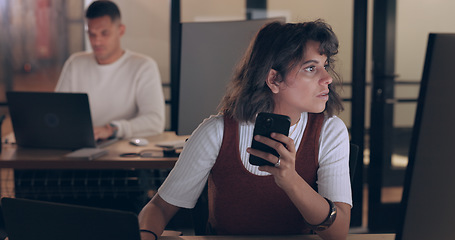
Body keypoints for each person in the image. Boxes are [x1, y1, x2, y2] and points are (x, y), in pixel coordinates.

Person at [138, 20, 351, 240]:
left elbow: (338, 232)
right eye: (310, 68)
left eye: (325, 66)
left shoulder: (330, 132)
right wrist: (146, 235)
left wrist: (291, 180)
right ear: (274, 79)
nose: (327, 79)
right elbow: (160, 208)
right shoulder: (217, 133)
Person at [55, 0, 165, 140]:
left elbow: (155, 121)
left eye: (104, 33)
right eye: (91, 34)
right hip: (79, 143)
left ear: (121, 30)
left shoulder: (143, 66)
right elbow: (57, 113)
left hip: (122, 149)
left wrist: (112, 129)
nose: (97, 41)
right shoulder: (75, 63)